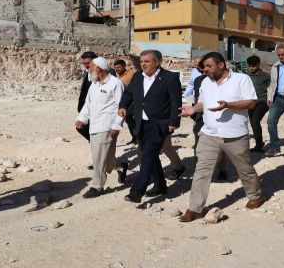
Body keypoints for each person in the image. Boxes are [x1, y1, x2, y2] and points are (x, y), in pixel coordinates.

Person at [178, 52, 264, 222]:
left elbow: (251, 102)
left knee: (245, 169)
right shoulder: (205, 82)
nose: (205, 70)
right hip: (209, 134)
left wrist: (229, 105)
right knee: (202, 170)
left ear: (221, 65)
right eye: (204, 67)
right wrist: (193, 109)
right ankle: (195, 208)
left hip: (235, 135)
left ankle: (255, 196)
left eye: (209, 66)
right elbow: (203, 103)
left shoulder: (241, 79)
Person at [118, 50, 182, 203]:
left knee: (146, 156)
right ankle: (160, 185)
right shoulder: (138, 77)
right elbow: (128, 94)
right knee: (151, 156)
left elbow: (176, 102)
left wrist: (174, 122)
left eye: (146, 61)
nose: (143, 64)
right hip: (141, 123)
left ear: (157, 62)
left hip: (159, 124)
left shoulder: (170, 78)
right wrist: (123, 105)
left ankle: (136, 191)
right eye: (141, 62)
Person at [76, 57, 128, 198]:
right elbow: (88, 104)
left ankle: (97, 186)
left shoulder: (116, 84)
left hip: (107, 125)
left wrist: (117, 125)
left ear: (99, 68)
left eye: (91, 67)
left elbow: (121, 106)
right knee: (108, 158)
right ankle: (121, 166)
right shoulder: (94, 84)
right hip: (94, 125)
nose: (89, 69)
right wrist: (81, 118)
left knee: (98, 157)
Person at [246, 55, 270, 152]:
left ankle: (259, 145)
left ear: (258, 65)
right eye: (249, 66)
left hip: (262, 102)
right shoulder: (246, 76)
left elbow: (272, 87)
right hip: (250, 102)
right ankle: (259, 143)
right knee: (252, 123)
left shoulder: (265, 76)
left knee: (255, 121)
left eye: (253, 66)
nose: (251, 68)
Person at [76, 51, 98, 143]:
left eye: (88, 63)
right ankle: (95, 142)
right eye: (84, 63)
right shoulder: (86, 72)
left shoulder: (106, 73)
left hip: (98, 108)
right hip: (86, 107)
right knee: (81, 126)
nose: (86, 66)